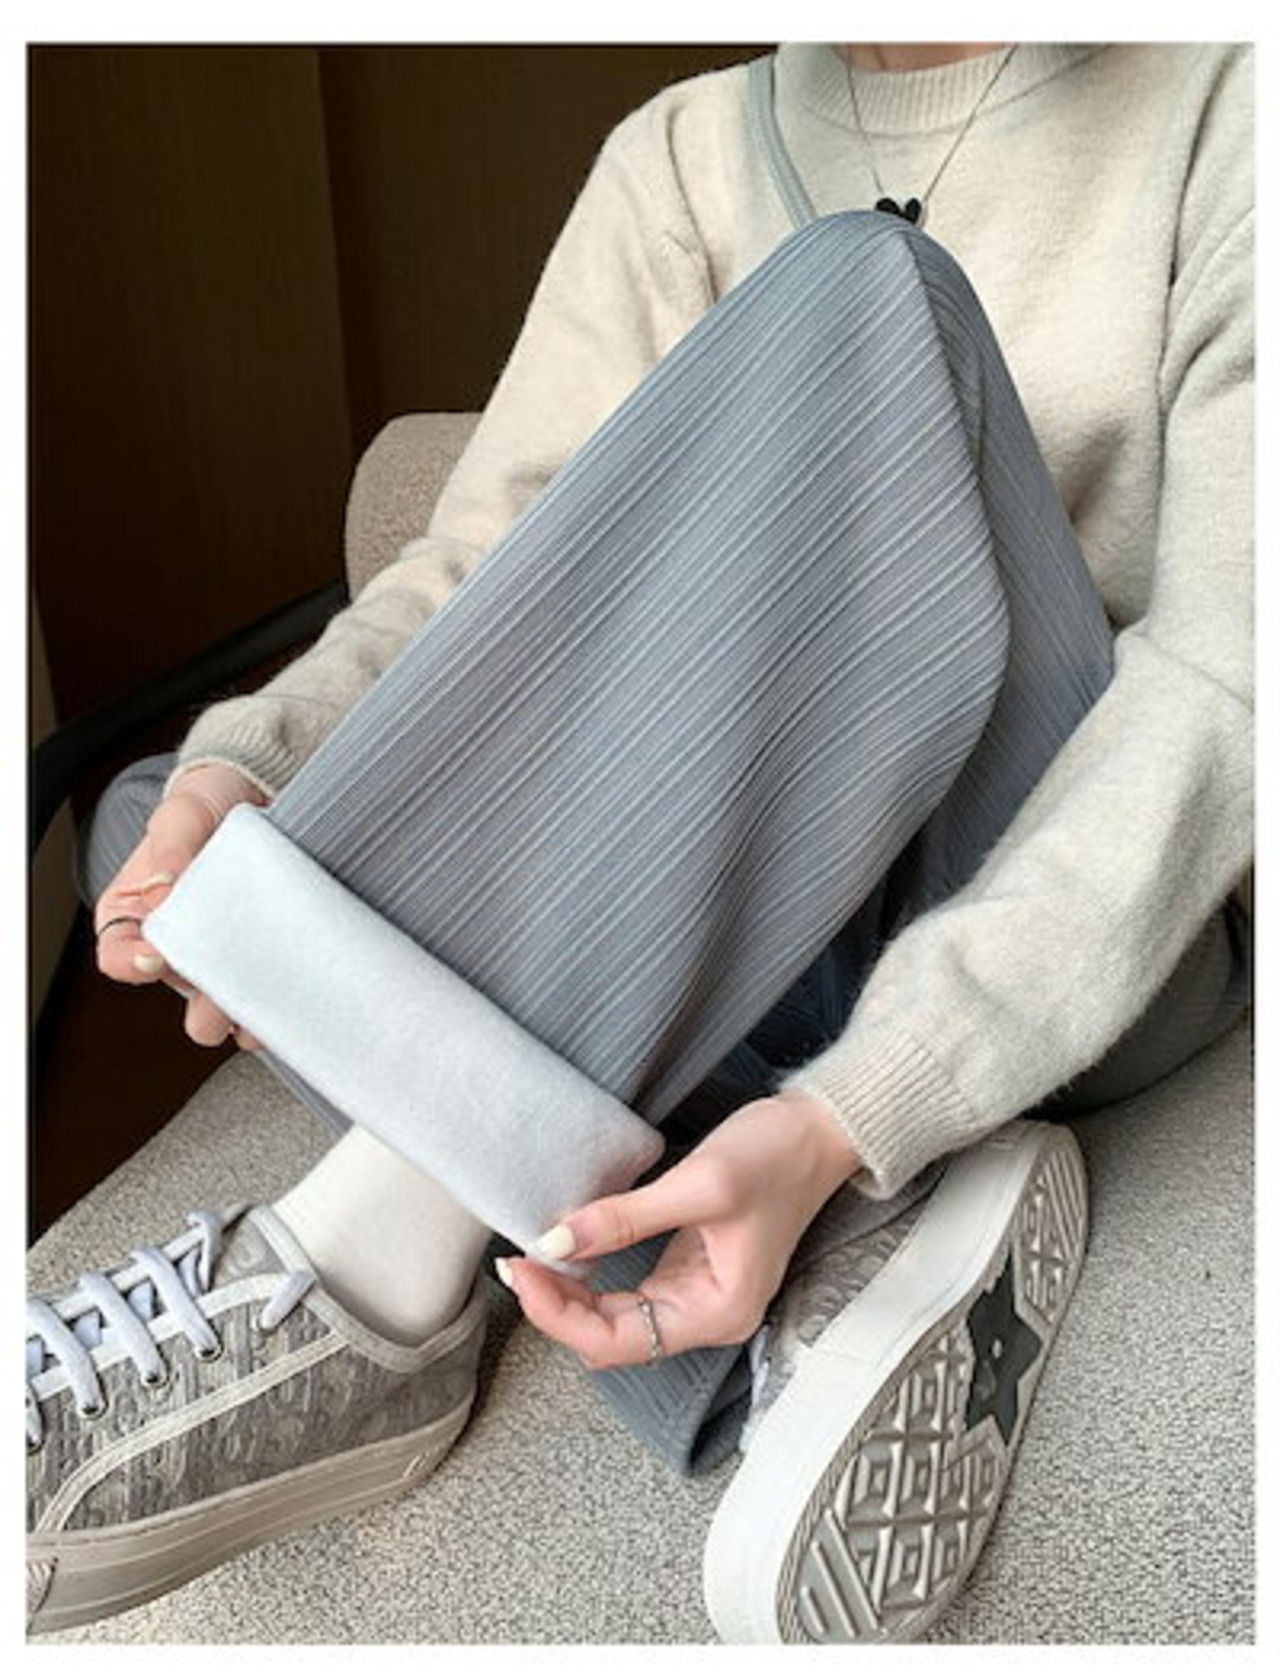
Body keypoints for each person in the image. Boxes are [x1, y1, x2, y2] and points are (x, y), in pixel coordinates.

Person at [27, 40, 1252, 1644]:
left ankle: (367, 1270)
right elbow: (476, 564)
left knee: (869, 299)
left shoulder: (1230, 103)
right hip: (741, 909)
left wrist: (864, 1096)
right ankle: (831, 1241)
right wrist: (245, 767)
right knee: (165, 825)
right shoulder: (680, 152)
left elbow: (1229, 685)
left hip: (1053, 890)